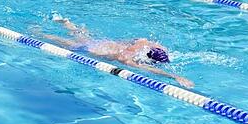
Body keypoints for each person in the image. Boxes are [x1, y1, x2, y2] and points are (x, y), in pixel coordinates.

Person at [41, 15, 194, 88]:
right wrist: (173, 75)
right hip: (93, 50)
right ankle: (39, 32)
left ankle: (67, 22)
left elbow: (136, 39)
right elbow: (148, 68)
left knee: (82, 36)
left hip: (104, 43)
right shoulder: (126, 58)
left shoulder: (145, 43)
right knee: (66, 43)